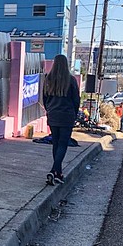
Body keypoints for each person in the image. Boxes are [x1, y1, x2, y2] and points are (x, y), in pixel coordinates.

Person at [41, 54, 80, 186]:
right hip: (67, 115)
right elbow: (76, 100)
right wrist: (74, 114)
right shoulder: (71, 80)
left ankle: (58, 172)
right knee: (63, 144)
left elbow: (44, 99)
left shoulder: (48, 79)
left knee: (56, 144)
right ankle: (54, 170)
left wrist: (49, 110)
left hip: (53, 115)